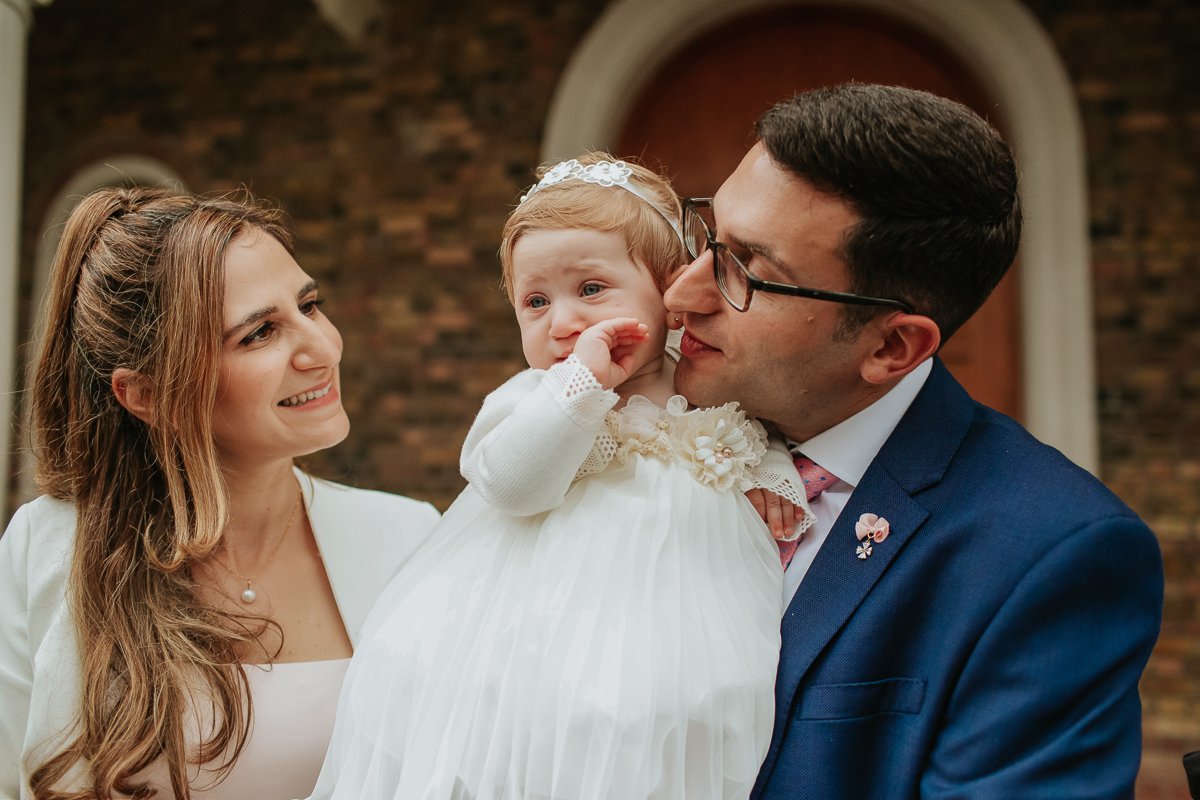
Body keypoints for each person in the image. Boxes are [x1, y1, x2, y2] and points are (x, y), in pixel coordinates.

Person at [663, 82, 1164, 799]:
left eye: (749, 272)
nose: (682, 294)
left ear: (892, 347)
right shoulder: (634, 439)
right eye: (708, 237)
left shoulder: (1052, 556)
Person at [310, 153, 812, 799]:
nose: (563, 320)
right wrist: (580, 387)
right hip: (545, 620)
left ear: (669, 288)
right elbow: (513, 485)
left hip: (683, 612)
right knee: (554, 726)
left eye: (592, 289)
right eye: (535, 301)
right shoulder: (534, 395)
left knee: (676, 719)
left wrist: (776, 479)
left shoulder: (708, 380)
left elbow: (753, 435)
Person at [0, 187, 440, 799]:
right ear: (147, 394)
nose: (322, 348)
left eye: (309, 305)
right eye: (259, 333)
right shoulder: (49, 547)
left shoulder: (409, 538)